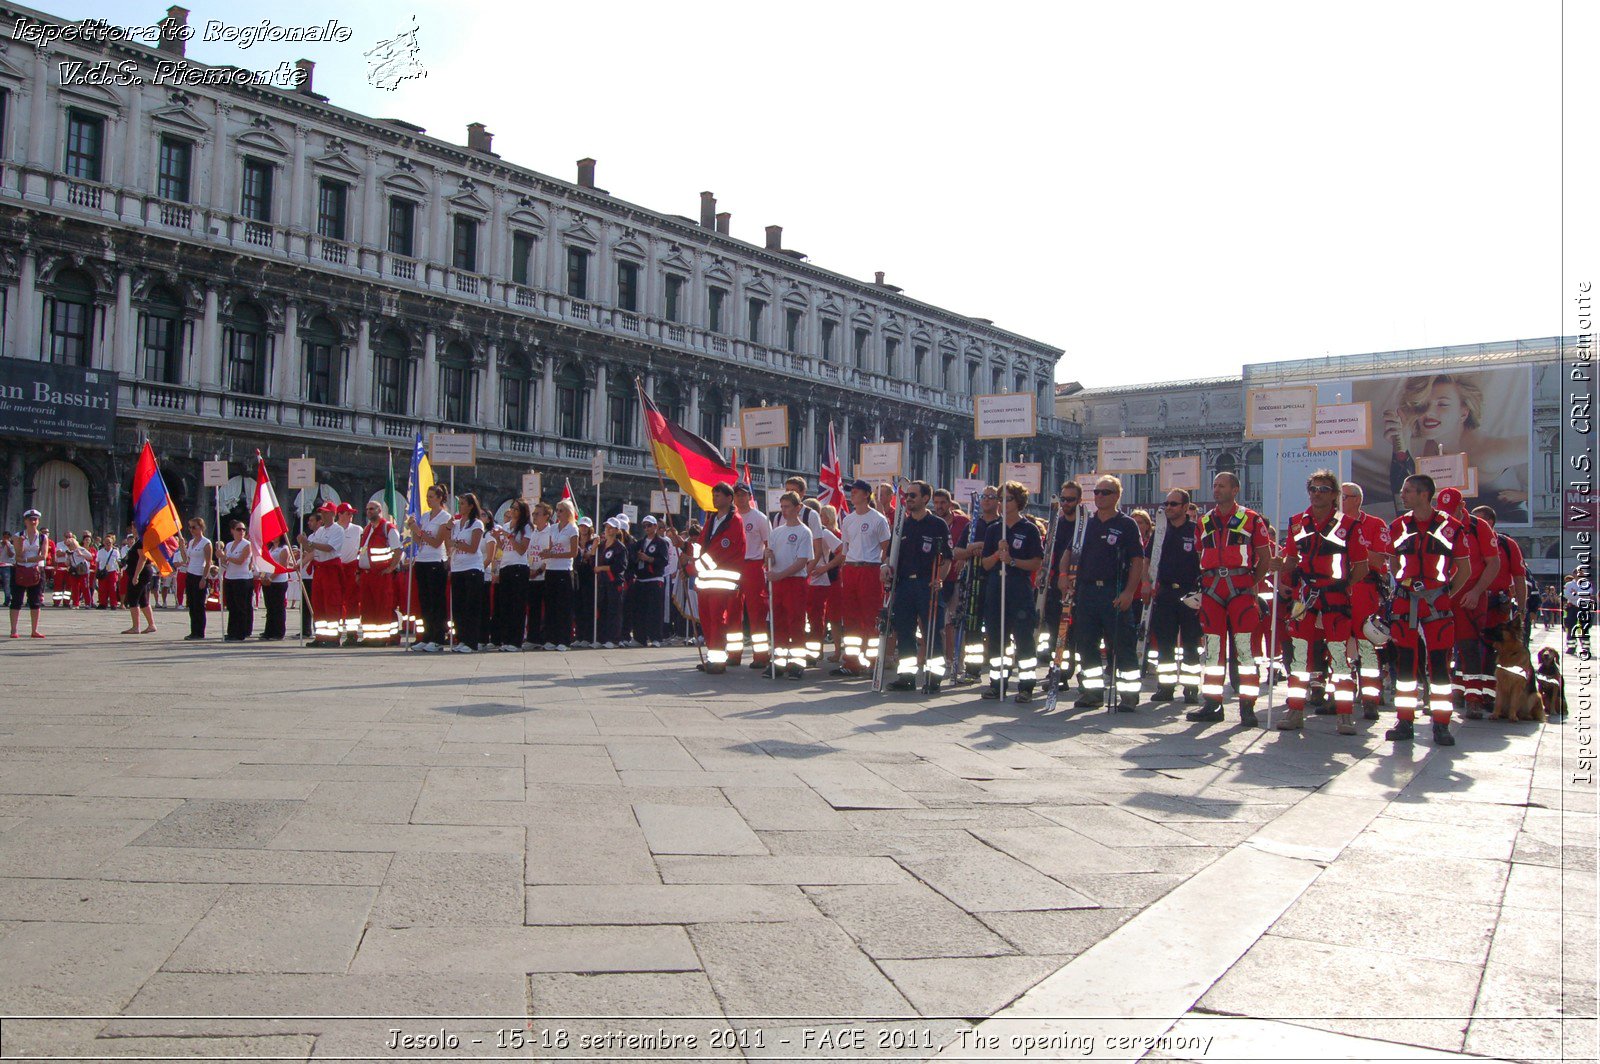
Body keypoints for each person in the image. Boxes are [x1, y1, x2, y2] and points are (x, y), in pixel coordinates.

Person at [1274, 470, 1370, 733]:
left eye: (1324, 489)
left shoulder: (1348, 526)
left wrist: (1343, 586)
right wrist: (1280, 567)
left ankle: (1345, 714)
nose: (1318, 493)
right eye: (1314, 489)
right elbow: (1292, 561)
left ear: (1335, 494)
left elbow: (1361, 567)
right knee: (1299, 656)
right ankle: (1295, 710)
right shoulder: (1297, 523)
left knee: (1339, 656)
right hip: (1306, 596)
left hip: (1335, 596)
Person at [1386, 474, 1472, 746]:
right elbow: (1392, 562)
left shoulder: (1451, 527)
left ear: (1424, 494)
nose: (1403, 495)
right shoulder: (1398, 526)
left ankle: (1441, 725)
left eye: (1408, 491)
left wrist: (1444, 594)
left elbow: (1464, 570)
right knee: (1405, 664)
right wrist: (1403, 585)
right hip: (1404, 602)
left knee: (1439, 665)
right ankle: (1405, 720)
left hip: (1437, 604)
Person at [1382, 373, 1529, 522]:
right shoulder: (1433, 445)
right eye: (1423, 405)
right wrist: (1403, 442)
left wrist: (1526, 495)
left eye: (1442, 404)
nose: (1428, 412)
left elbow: (1540, 445)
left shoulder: (1486, 453)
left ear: (1464, 412)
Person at [1187, 472, 1273, 725]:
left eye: (1221, 486)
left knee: (1245, 650)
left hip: (1240, 587)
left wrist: (1250, 582)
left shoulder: (1251, 519)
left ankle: (1248, 707)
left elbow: (1265, 557)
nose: (1216, 489)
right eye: (1214, 485)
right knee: (1212, 651)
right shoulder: (1204, 521)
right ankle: (1212, 704)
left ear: (1235, 490)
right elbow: (1199, 554)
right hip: (1212, 588)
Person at [1068, 477, 1145, 710]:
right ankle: (1091, 692)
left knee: (1122, 645)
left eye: (1105, 492)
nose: (1099, 496)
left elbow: (1137, 560)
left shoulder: (1127, 524)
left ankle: (1129, 696)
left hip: (1113, 590)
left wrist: (1129, 592)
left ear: (1116, 496)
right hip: (1087, 590)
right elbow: (1070, 552)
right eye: (1097, 492)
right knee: (1087, 644)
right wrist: (1065, 576)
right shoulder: (1086, 524)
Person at [1436, 487, 1501, 719]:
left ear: (1461, 507)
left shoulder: (1479, 528)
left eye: (1450, 510)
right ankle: (1444, 697)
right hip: (1442, 596)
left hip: (1470, 599)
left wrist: (1476, 592)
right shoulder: (1437, 524)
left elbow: (1493, 564)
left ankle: (1474, 699)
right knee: (1440, 649)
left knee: (1468, 647)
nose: (1446, 516)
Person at [979, 481, 1045, 702]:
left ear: (1018, 502)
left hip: (1018, 587)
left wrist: (1013, 561)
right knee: (997, 639)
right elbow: (985, 564)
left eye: (1007, 499)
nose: (1001, 503)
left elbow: (1036, 562)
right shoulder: (994, 530)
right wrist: (998, 555)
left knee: (1023, 638)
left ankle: (1026, 685)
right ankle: (998, 683)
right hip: (996, 586)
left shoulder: (1029, 529)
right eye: (1000, 499)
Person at [884, 480, 951, 692]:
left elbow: (947, 559)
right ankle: (907, 677)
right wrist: (885, 568)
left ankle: (933, 679)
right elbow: (890, 556)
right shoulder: (901, 525)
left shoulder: (937, 525)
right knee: (905, 631)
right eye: (907, 496)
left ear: (925, 498)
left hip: (927, 584)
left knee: (932, 632)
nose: (908, 499)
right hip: (904, 585)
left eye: (913, 495)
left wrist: (939, 578)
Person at [1145, 488, 1203, 704]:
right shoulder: (1160, 531)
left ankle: (1191, 688)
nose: (1168, 508)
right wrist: (1146, 584)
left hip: (1190, 593)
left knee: (1190, 644)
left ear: (1185, 507)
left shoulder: (1196, 530)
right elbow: (1147, 560)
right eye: (1166, 504)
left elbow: (1204, 562)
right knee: (1165, 643)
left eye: (1173, 504)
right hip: (1166, 592)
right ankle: (1166, 687)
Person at [1340, 482, 1393, 718]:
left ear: (1357, 500)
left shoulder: (1374, 525)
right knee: (1337, 646)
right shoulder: (1329, 524)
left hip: (1365, 590)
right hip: (1337, 590)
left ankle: (1371, 698)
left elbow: (1380, 559)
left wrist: (1354, 545)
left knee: (1366, 646)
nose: (1338, 501)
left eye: (1343, 496)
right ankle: (1339, 697)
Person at [1472, 504, 1528, 714]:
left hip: (1497, 606)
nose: (1474, 524)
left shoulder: (1506, 544)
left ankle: (1491, 695)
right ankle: (1469, 694)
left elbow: (1519, 577)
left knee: (1494, 650)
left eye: (1479, 520)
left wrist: (1521, 608)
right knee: (1468, 648)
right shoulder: (1467, 541)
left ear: (1491, 522)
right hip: (1471, 603)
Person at [835, 479, 891, 677]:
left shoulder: (878, 519)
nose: (852, 494)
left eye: (856, 491)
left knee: (870, 617)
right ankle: (852, 661)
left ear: (867, 494)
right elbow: (845, 549)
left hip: (870, 569)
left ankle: (874, 661)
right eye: (851, 491)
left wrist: (884, 567)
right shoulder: (848, 519)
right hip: (851, 569)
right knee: (850, 618)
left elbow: (887, 548)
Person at [690, 481, 746, 673]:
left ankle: (718, 661)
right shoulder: (711, 519)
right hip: (706, 579)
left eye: (718, 495)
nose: (714, 498)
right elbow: (700, 544)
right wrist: (685, 550)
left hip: (722, 580)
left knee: (717, 619)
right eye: (714, 495)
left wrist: (696, 565)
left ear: (729, 498)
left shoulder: (735, 521)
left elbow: (723, 551)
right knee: (706, 618)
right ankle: (712, 656)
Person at [762, 491, 814, 680]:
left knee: (796, 622)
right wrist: (769, 556)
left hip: (795, 582)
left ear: (797, 508)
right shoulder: (776, 532)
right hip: (778, 582)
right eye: (782, 507)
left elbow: (802, 562)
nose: (784, 510)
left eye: (787, 507)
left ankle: (797, 663)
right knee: (778, 622)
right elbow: (774, 560)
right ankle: (778, 661)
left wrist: (779, 575)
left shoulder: (804, 532)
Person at [956, 487, 1003, 683]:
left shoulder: (1003, 524)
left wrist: (983, 547)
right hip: (974, 579)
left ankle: (998, 671)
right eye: (984, 497)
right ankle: (972, 669)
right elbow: (957, 552)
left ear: (999, 501)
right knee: (972, 627)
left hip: (997, 579)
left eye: (991, 497)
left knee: (996, 628)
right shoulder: (973, 525)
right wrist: (972, 548)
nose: (986, 501)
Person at [1043, 481, 1083, 687]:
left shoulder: (1084, 526)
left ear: (1079, 501)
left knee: (1076, 634)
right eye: (1064, 499)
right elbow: (1049, 554)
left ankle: (1071, 671)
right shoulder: (1056, 525)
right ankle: (1057, 670)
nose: (1066, 503)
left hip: (1078, 586)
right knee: (1056, 633)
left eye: (1070, 499)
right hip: (1056, 586)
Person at [729, 482, 773, 669]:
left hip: (754, 566)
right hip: (734, 567)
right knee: (732, 612)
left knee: (756, 612)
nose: (740, 498)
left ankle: (761, 655)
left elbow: (769, 543)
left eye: (743, 495)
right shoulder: (730, 519)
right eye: (737, 495)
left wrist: (768, 561)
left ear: (749, 496)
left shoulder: (759, 518)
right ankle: (733, 654)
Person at [405, 484, 452, 652]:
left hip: (435, 560)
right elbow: (420, 542)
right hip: (422, 560)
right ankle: (426, 635)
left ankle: (438, 636)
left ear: (440, 499)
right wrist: (414, 530)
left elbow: (436, 542)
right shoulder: (425, 517)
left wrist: (418, 531)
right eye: (428, 496)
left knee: (436, 600)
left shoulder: (445, 517)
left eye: (432, 496)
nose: (428, 499)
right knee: (424, 600)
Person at [357, 500, 402, 645]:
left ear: (379, 510)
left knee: (382, 605)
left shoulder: (388, 528)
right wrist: (358, 572)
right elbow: (362, 551)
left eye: (372, 509)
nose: (369, 511)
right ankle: (370, 636)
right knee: (367, 607)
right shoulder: (367, 529)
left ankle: (383, 637)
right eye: (367, 509)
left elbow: (398, 550)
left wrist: (391, 568)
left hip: (381, 574)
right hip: (367, 574)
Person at [447, 493, 487, 652]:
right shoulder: (456, 524)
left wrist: (456, 543)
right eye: (459, 503)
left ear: (471, 506)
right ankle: (461, 639)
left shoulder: (476, 524)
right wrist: (448, 529)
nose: (460, 506)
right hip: (457, 567)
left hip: (472, 568)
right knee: (458, 606)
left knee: (471, 606)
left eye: (463, 503)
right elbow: (447, 544)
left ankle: (471, 641)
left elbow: (472, 547)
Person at [807, 503, 844, 667]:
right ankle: (816, 651)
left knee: (832, 617)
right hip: (809, 580)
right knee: (812, 617)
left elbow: (842, 551)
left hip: (829, 580)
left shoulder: (826, 533)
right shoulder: (803, 531)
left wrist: (825, 567)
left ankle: (836, 651)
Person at [493, 501, 533, 651]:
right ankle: (506, 639)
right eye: (513, 508)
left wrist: (509, 536)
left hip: (519, 567)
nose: (513, 511)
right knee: (506, 605)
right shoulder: (506, 526)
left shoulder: (526, 527)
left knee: (517, 605)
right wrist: (498, 538)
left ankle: (516, 641)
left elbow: (522, 549)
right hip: (506, 566)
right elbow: (503, 548)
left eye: (516, 509)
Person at [627, 515, 670, 647]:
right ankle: (640, 637)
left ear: (655, 527)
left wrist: (648, 559)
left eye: (649, 525)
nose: (646, 528)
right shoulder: (640, 543)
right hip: (641, 579)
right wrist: (637, 558)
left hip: (654, 578)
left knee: (655, 610)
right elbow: (632, 558)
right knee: (639, 609)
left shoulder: (662, 543)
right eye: (644, 526)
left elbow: (663, 561)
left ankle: (656, 637)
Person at [543, 501, 580, 651]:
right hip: (551, 569)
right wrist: (547, 552)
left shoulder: (572, 529)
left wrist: (555, 554)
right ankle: (551, 638)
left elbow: (573, 552)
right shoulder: (552, 528)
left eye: (561, 511)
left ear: (568, 512)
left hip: (564, 569)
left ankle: (564, 640)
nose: (558, 513)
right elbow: (551, 547)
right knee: (551, 605)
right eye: (557, 511)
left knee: (563, 606)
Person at [8, 510, 47, 638]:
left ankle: (34, 630)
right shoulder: (18, 535)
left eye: (35, 519)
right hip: (20, 570)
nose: (33, 522)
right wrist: (20, 543)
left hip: (36, 570)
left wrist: (27, 560)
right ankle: (14, 630)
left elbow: (43, 556)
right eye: (30, 519)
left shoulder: (42, 537)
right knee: (16, 600)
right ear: (25, 521)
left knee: (35, 601)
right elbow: (18, 555)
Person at [218, 520, 257, 641]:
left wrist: (226, 556)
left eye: (243, 529)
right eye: (239, 529)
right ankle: (232, 631)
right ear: (232, 531)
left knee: (241, 607)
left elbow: (241, 560)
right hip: (230, 577)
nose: (242, 532)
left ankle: (241, 632)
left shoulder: (246, 544)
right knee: (232, 606)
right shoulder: (229, 545)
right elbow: (225, 561)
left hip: (242, 578)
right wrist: (220, 556)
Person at [595, 517, 630, 648]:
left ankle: (614, 638)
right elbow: (595, 562)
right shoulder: (601, 546)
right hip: (603, 582)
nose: (608, 530)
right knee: (602, 609)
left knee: (613, 611)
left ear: (616, 530)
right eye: (606, 527)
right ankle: (601, 637)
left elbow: (620, 566)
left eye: (611, 527)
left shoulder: (620, 547)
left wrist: (603, 568)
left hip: (614, 582)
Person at [525, 501, 555, 649]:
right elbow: (529, 552)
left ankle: (545, 637)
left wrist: (539, 570)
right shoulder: (532, 532)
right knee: (533, 609)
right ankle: (532, 638)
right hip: (531, 576)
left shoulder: (551, 532)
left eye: (537, 514)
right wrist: (529, 570)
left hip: (544, 575)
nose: (534, 516)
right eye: (533, 514)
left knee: (547, 609)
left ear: (547, 516)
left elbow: (549, 555)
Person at [178, 517, 214, 641]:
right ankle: (194, 630)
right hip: (190, 574)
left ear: (201, 527)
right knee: (192, 604)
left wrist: (204, 578)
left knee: (199, 604)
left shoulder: (206, 543)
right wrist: (182, 547)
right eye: (190, 527)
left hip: (200, 574)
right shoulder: (192, 542)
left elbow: (208, 562)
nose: (191, 530)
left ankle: (200, 632)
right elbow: (186, 559)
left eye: (194, 527)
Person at [118, 532, 157, 635]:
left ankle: (136, 627)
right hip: (143, 572)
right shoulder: (142, 541)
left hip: (141, 572)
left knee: (133, 598)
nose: (133, 530)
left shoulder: (141, 542)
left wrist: (136, 575)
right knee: (143, 599)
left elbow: (142, 558)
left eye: (134, 528)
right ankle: (151, 624)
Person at [261, 535, 292, 640]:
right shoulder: (269, 548)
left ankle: (278, 632)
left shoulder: (284, 549)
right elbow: (265, 564)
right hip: (268, 580)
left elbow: (282, 566)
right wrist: (263, 577)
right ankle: (269, 631)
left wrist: (271, 578)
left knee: (278, 607)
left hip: (278, 581)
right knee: (270, 607)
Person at [96, 533, 121, 609]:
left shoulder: (115, 552)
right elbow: (97, 562)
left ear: (112, 543)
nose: (108, 544)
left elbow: (118, 562)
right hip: (102, 572)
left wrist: (119, 571)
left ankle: (113, 604)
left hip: (112, 572)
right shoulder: (100, 551)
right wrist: (97, 571)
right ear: (103, 543)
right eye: (106, 542)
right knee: (102, 589)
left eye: (109, 542)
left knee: (113, 588)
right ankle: (102, 603)